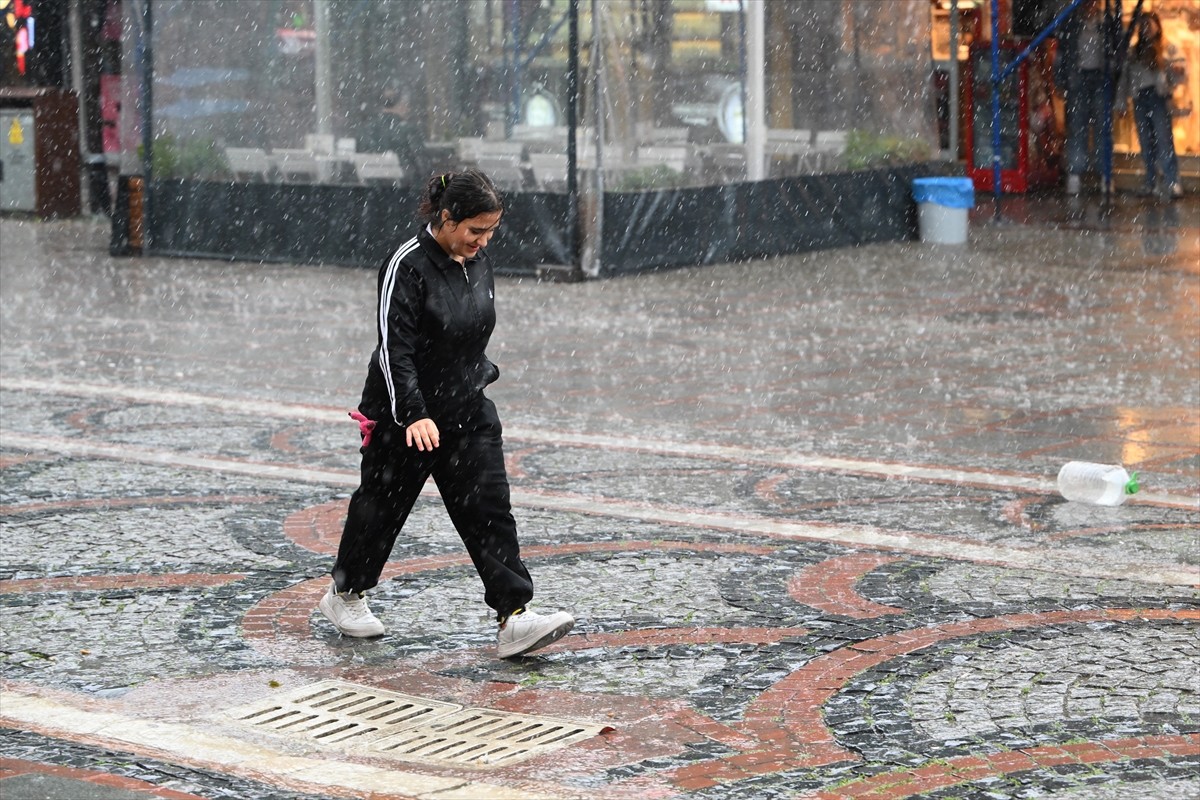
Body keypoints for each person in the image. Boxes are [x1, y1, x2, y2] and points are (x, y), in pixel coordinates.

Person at [318, 170, 575, 659]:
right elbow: (394, 349)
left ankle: (514, 617)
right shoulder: (406, 265)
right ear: (446, 217)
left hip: (468, 410)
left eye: (491, 231)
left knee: (490, 510)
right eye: (476, 230)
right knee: (381, 510)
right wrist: (413, 413)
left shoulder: (478, 262)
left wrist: (474, 382)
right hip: (405, 417)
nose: (484, 241)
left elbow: (470, 334)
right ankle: (345, 594)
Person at [1055, 0, 1115, 195]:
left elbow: (1115, 53)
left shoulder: (1106, 23)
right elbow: (1062, 53)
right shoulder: (1072, 23)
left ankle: (1105, 173)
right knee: (1077, 127)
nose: (1090, 6)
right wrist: (1060, 79)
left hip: (1100, 79)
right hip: (1078, 79)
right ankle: (1075, 172)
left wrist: (1114, 78)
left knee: (1102, 129)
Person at [1121, 12, 1183, 199]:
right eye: (1143, 25)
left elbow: (1179, 69)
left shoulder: (1166, 48)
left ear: (1157, 26)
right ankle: (1152, 180)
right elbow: (1125, 77)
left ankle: (1171, 181)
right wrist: (1121, 102)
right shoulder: (1134, 51)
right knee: (1146, 142)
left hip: (1158, 97)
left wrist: (1175, 70)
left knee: (1163, 140)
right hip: (1140, 98)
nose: (1146, 29)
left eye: (1149, 25)